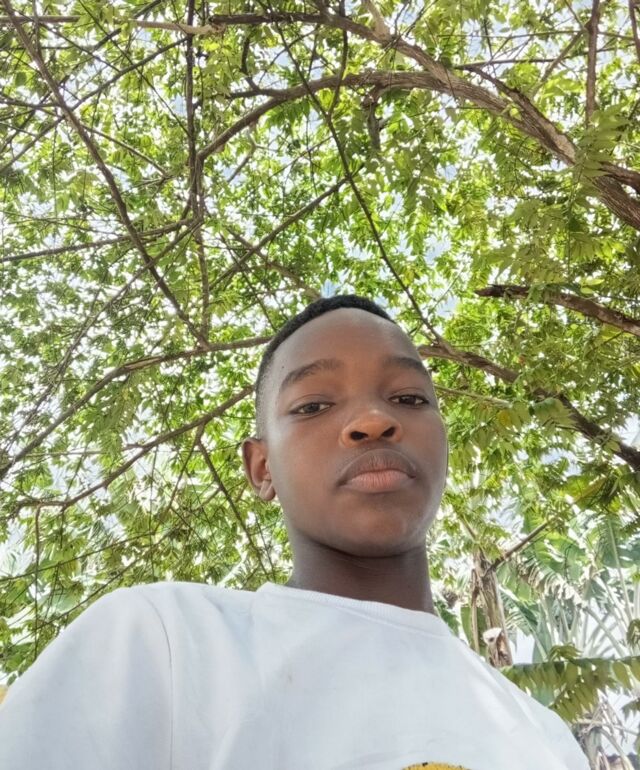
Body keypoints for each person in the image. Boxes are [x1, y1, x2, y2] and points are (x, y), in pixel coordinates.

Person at [0, 294, 589, 769]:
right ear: (262, 468)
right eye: (312, 406)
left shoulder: (544, 738)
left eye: (409, 398)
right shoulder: (163, 644)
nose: (373, 420)